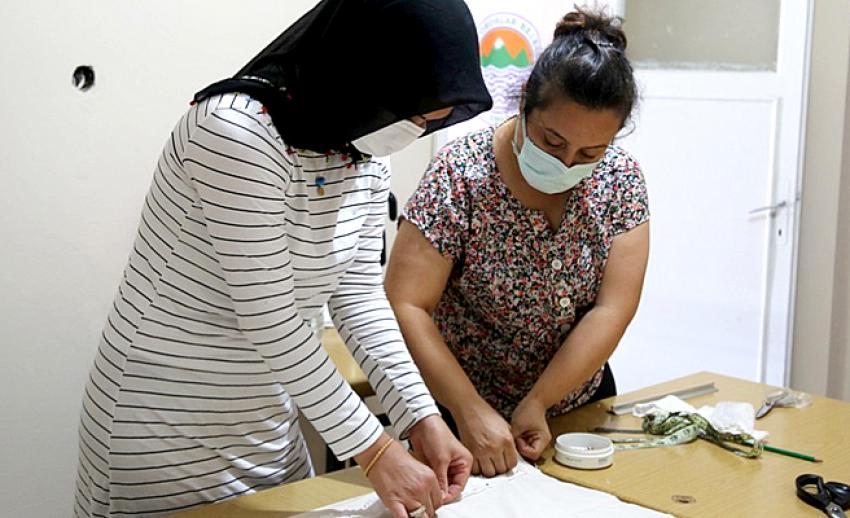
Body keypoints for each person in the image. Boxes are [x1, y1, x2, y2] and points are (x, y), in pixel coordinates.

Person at [73, 1, 492, 516]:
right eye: (410, 114)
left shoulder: (362, 154)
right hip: (165, 429)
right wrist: (377, 448)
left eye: (427, 122)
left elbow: (359, 299)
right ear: (362, 68)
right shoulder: (234, 134)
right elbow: (270, 317)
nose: (411, 131)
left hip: (269, 426)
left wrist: (420, 418)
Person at [386, 8, 649, 478]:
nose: (568, 162)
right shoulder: (461, 173)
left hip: (572, 409)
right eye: (553, 141)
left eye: (591, 152)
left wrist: (540, 401)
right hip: (460, 413)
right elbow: (407, 302)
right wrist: (468, 409)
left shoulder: (621, 180)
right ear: (526, 100)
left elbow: (613, 308)